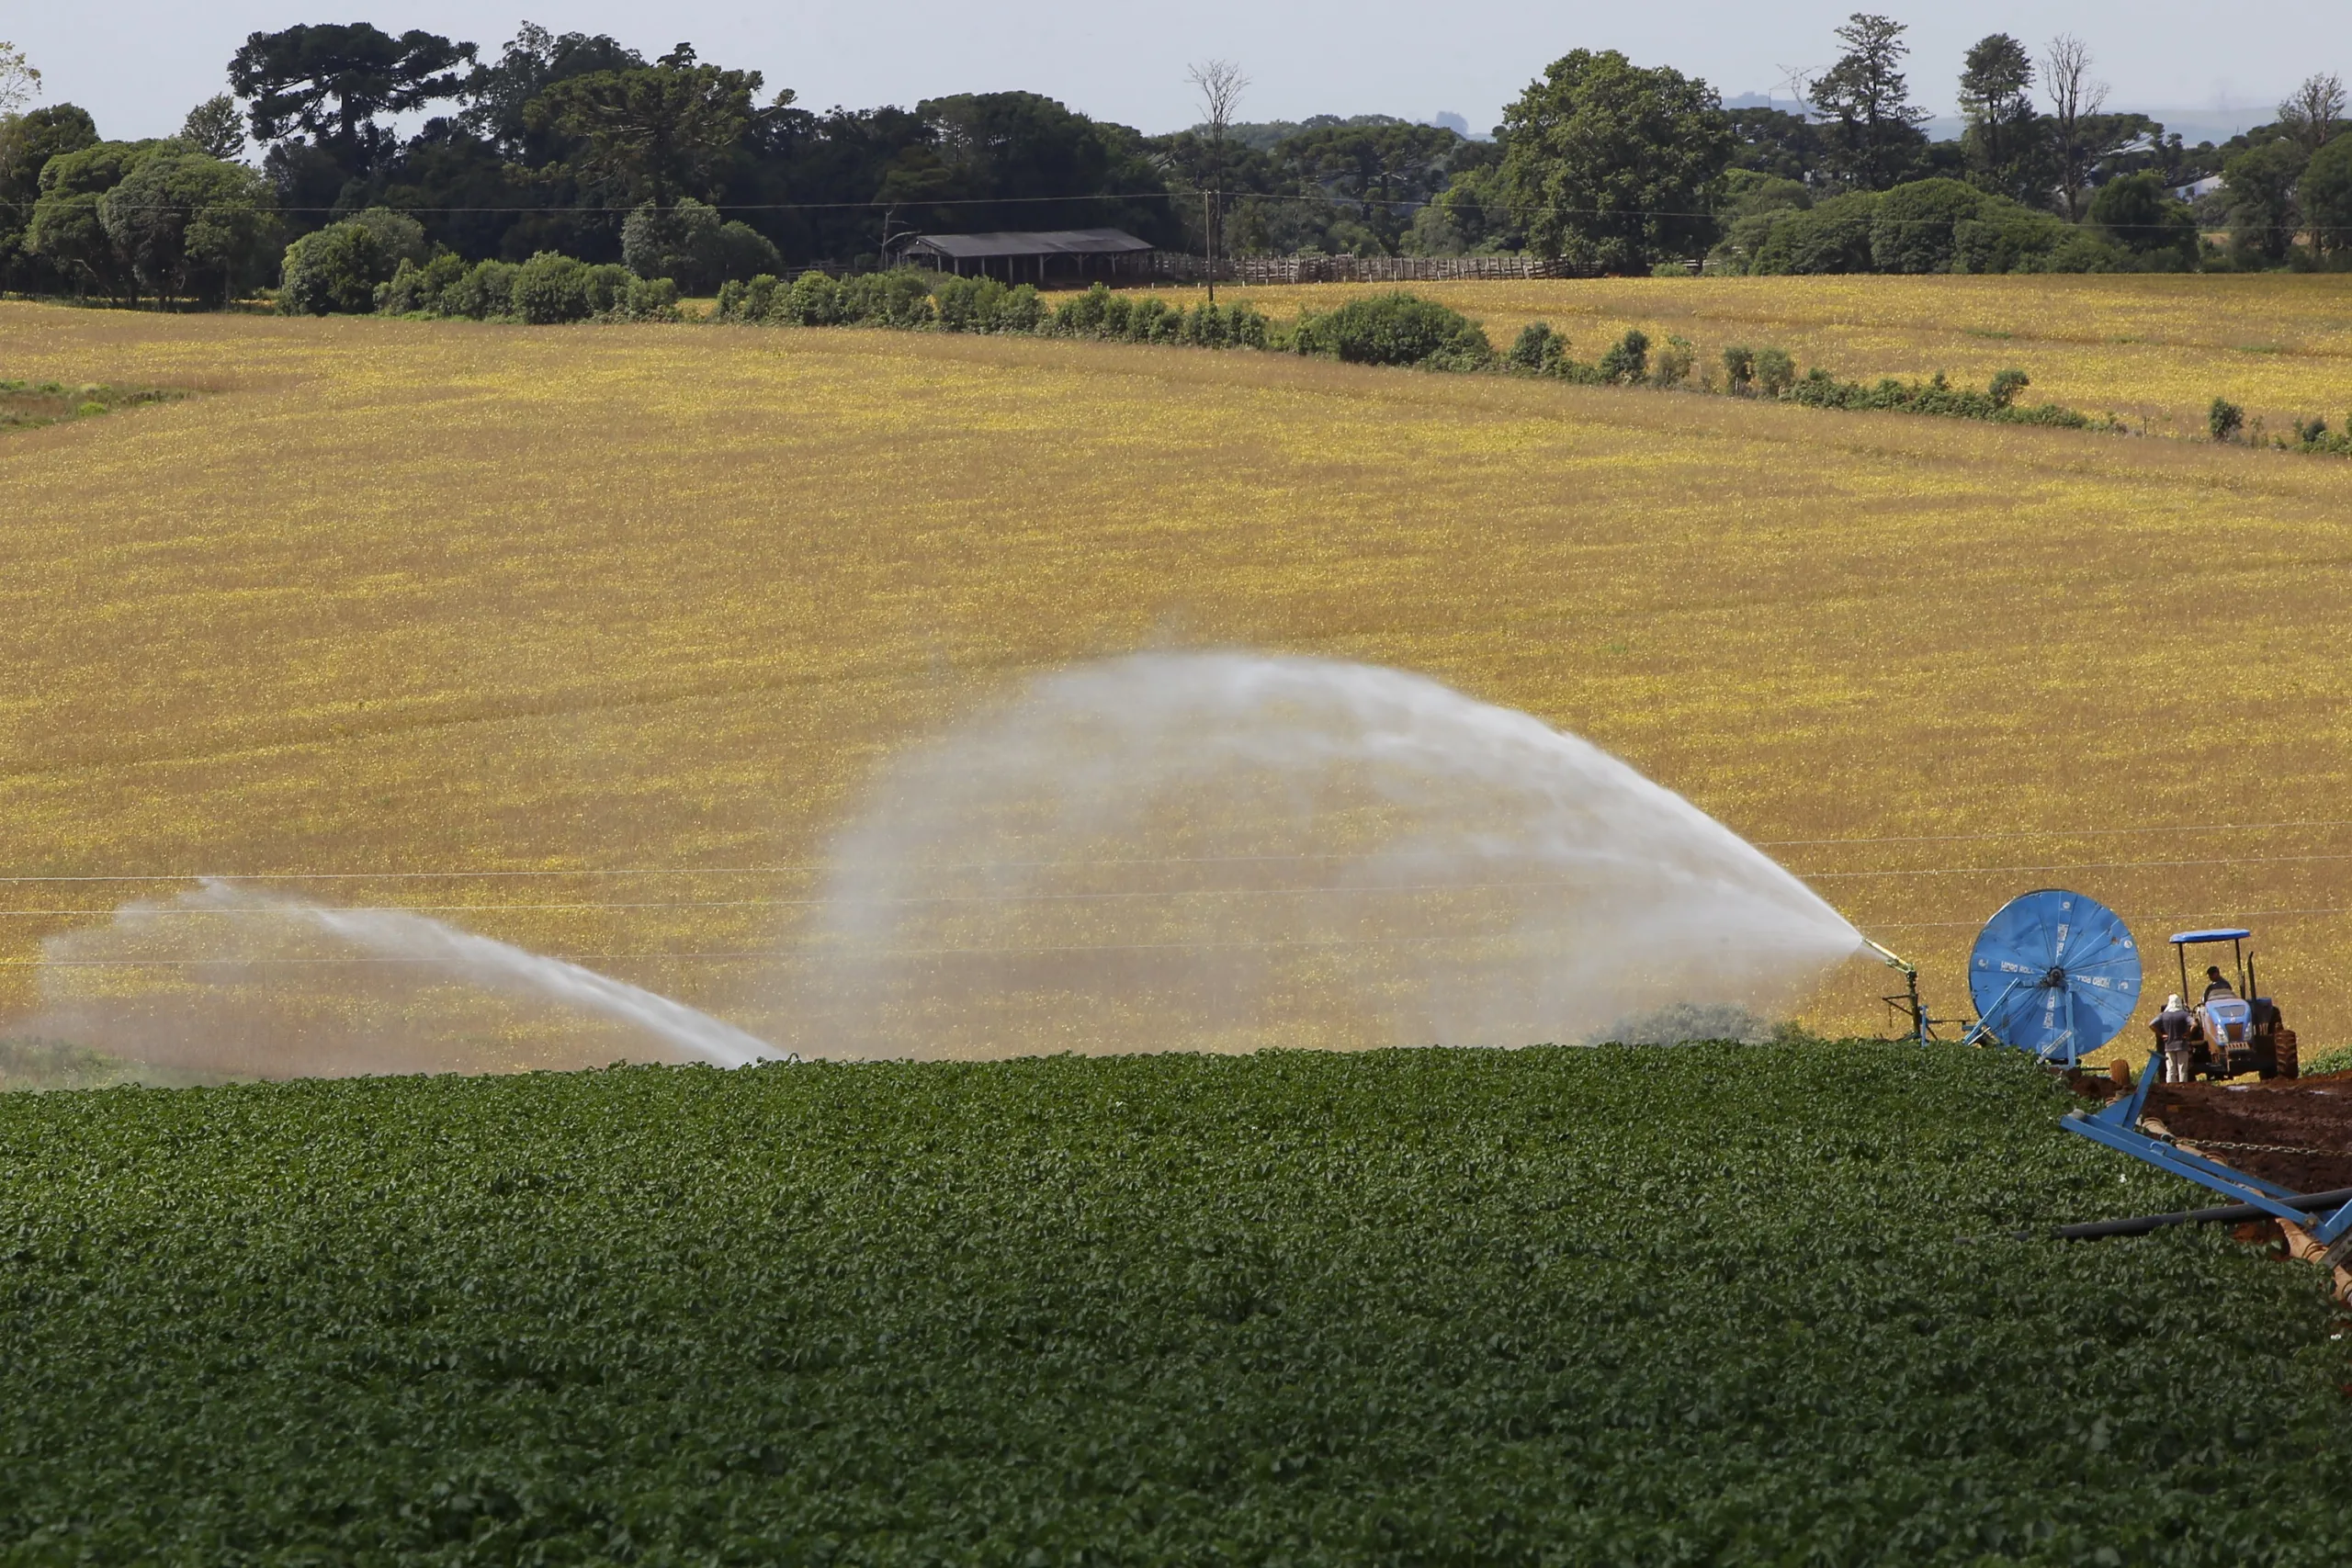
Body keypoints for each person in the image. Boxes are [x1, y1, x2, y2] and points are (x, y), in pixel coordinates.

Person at [2151, 994, 2197, 1084]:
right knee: (2182, 1068)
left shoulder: (2164, 1015)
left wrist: (2161, 1035)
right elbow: (2194, 1024)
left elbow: (2151, 1024)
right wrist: (2188, 1033)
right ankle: (2183, 1086)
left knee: (2171, 1069)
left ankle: (2171, 1087)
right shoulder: (2184, 1015)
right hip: (2182, 1045)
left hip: (2169, 1045)